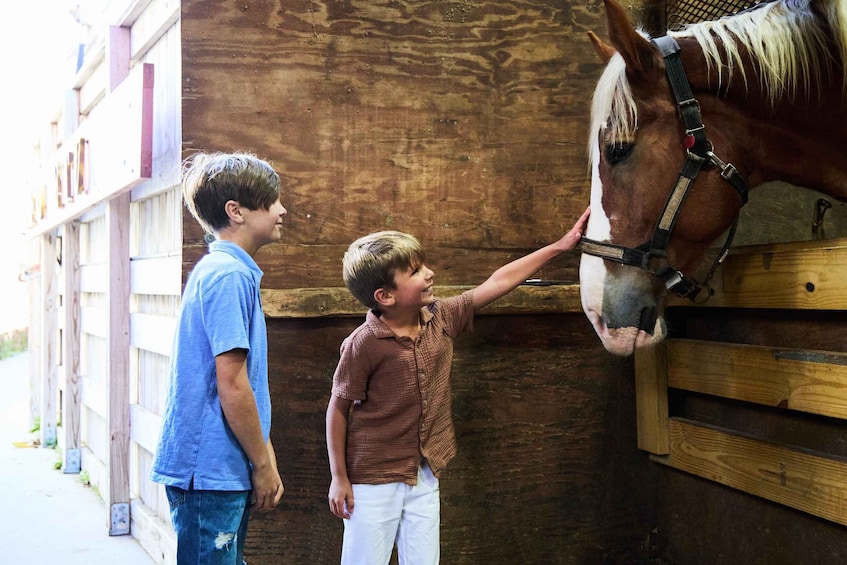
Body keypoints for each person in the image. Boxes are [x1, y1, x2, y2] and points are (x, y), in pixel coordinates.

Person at [325, 206, 591, 565]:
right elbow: (338, 409)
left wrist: (560, 247)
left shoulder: (441, 318)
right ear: (385, 296)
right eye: (416, 271)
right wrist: (339, 478)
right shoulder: (364, 343)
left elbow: (496, 282)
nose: (429, 274)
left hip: (425, 472)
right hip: (373, 480)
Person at [151, 152, 286, 564]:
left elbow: (246, 385)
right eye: (272, 200)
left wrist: (264, 454)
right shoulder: (228, 276)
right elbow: (231, 384)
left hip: (222, 465)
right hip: (208, 469)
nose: (283, 209)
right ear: (236, 211)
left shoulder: (231, 272)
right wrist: (261, 465)